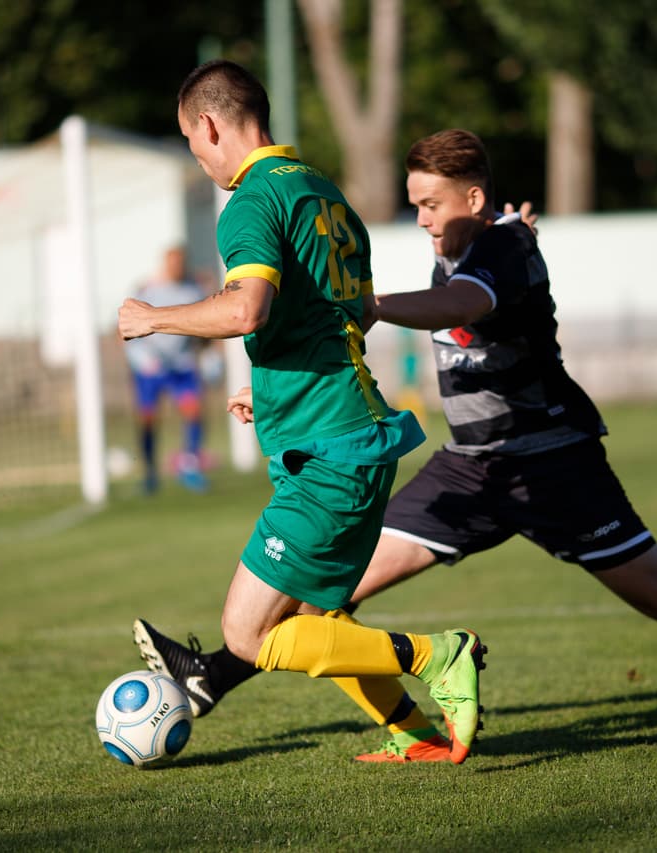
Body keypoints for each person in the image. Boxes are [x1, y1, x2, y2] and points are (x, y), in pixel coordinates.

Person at [133, 127, 657, 764]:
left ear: (474, 197)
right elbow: (374, 321)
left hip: (553, 463)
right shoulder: (469, 240)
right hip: (469, 469)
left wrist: (371, 301)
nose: (423, 221)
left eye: (433, 205)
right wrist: (274, 388)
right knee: (325, 593)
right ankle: (244, 688)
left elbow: (460, 305)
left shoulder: (502, 248)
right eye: (414, 207)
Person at [117, 62, 485, 765]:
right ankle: (414, 734)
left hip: (331, 452)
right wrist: (270, 386)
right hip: (349, 431)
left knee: (248, 635)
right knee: (318, 619)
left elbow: (245, 308)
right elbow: (341, 316)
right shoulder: (324, 192)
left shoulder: (251, 202)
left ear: (211, 125)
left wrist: (154, 318)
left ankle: (440, 655)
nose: (197, 157)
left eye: (191, 141)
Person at [123, 246, 209, 493]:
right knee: (148, 419)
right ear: (164, 264)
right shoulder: (148, 289)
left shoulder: (194, 289)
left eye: (180, 262)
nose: (176, 267)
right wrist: (140, 357)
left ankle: (190, 466)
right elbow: (126, 326)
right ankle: (150, 472)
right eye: (172, 263)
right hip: (151, 365)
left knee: (193, 411)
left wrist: (208, 353)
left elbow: (204, 326)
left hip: (181, 364)